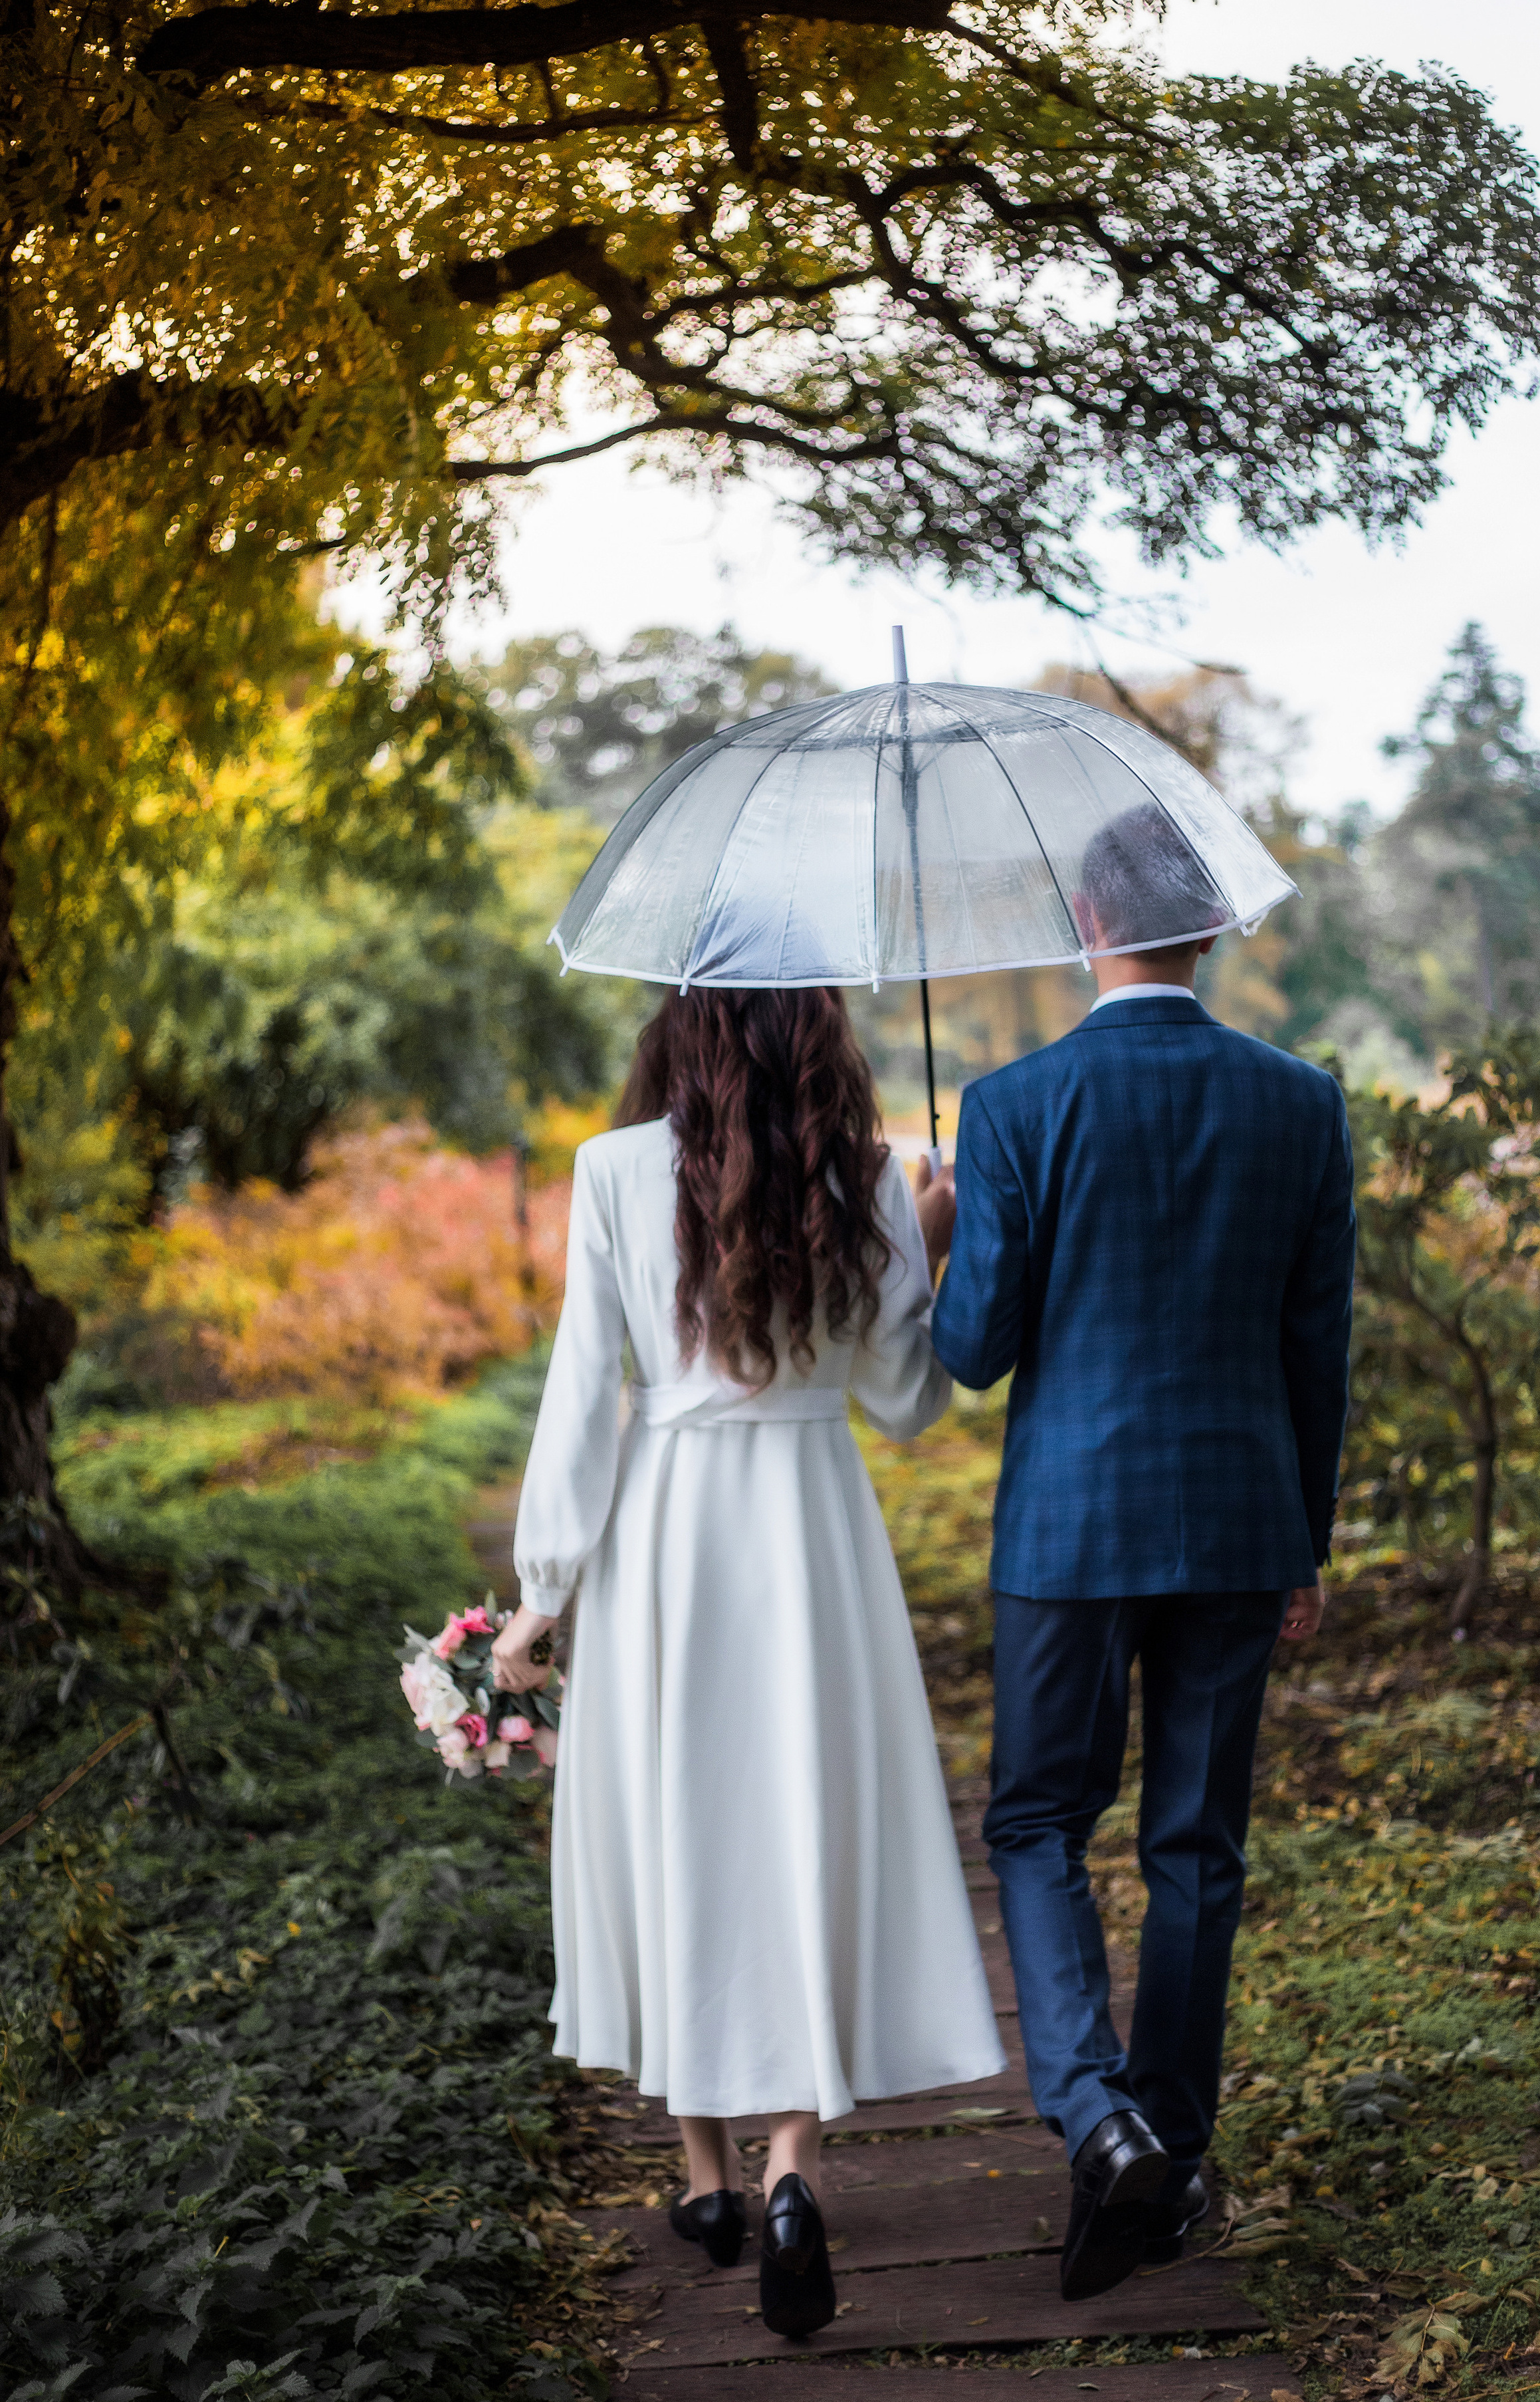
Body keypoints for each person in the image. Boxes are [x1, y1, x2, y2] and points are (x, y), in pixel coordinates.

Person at [489, 985, 1002, 2340]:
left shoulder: (612, 1169)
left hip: (666, 1533)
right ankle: (789, 2172)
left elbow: (581, 1389)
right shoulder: (865, 1176)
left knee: (682, 1821)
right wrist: (924, 1243)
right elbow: (904, 1403)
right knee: (794, 1822)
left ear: (685, 1026)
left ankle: (705, 2180)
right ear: (814, 1032)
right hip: (809, 1528)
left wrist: (543, 1592)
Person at [929, 802, 1356, 2302]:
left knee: (1037, 1821)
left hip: (1068, 1527)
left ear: (1086, 925)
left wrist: (939, 1232)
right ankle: (1166, 2150)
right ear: (1210, 926)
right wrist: (1303, 1543)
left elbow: (973, 1353)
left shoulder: (1011, 1105)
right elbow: (1317, 1348)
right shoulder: (1301, 1102)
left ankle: (1095, 2115)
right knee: (1195, 1846)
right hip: (1242, 1518)